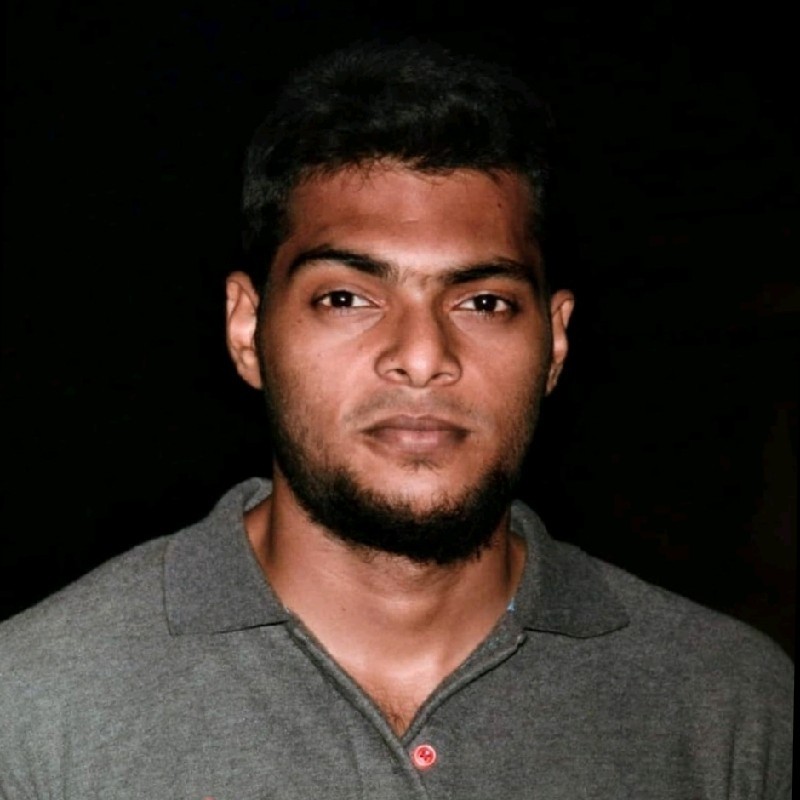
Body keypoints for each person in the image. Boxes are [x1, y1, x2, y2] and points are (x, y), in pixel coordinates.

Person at [0, 41, 792, 799]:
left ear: (553, 344)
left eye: (484, 302)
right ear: (247, 329)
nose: (421, 355)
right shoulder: (35, 704)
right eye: (347, 298)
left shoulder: (733, 708)